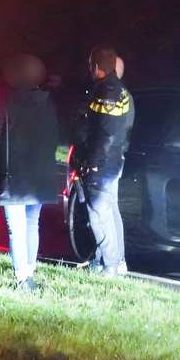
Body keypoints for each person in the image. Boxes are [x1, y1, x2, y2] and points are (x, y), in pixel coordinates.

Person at [0, 54, 62, 290]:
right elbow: (55, 139)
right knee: (32, 223)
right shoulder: (48, 105)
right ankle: (30, 271)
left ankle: (22, 276)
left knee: (16, 227)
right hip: (40, 176)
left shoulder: (4, 105)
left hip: (12, 177)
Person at [75, 45, 134, 276]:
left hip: (103, 162)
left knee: (98, 213)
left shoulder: (106, 92)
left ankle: (110, 266)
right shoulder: (119, 91)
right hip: (114, 160)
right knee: (110, 211)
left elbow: (105, 132)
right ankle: (116, 262)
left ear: (96, 66)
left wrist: (93, 161)